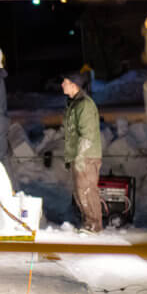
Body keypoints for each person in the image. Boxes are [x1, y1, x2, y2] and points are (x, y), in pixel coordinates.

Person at [62, 71, 103, 233]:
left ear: (74, 85)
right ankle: (88, 223)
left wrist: (80, 155)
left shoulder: (84, 104)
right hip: (79, 156)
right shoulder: (74, 104)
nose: (62, 85)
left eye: (65, 81)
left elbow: (88, 133)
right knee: (80, 192)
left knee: (87, 190)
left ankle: (94, 225)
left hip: (86, 156)